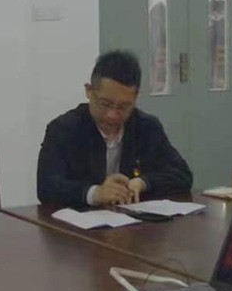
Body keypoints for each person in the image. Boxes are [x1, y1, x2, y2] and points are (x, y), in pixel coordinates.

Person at [37, 50, 193, 208]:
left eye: (123, 107)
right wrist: (95, 193)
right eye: (105, 104)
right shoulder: (64, 129)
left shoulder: (146, 127)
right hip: (81, 219)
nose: (112, 114)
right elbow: (47, 186)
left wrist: (144, 182)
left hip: (134, 219)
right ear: (89, 91)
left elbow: (182, 175)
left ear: (135, 98)